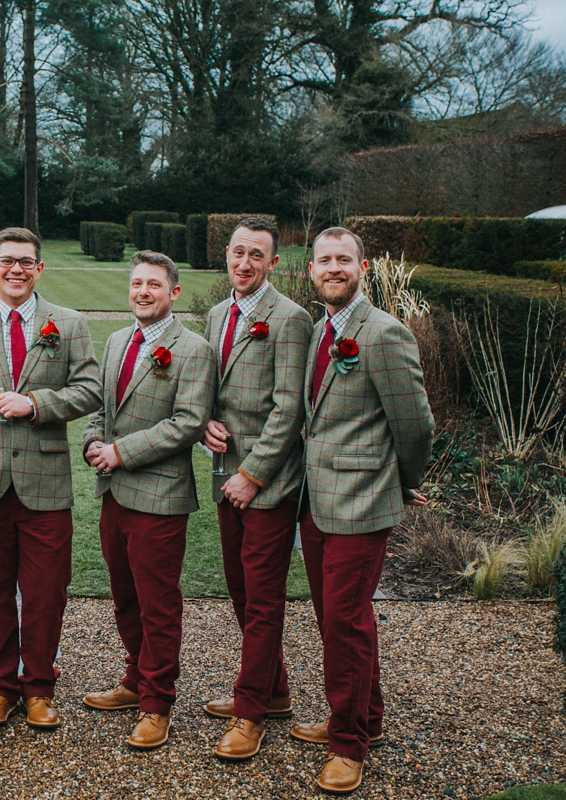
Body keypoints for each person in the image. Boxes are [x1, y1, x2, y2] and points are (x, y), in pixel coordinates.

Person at [0, 227, 102, 730]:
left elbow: (91, 389)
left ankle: (38, 689)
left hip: (46, 482)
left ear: (40, 269)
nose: (16, 269)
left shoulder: (69, 324)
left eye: (26, 262)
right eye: (7, 261)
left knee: (44, 593)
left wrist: (36, 403)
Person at [295, 227, 434, 794]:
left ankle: (348, 745)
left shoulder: (382, 333)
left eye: (344, 260)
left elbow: (416, 425)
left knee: (344, 624)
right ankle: (367, 719)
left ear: (363, 267)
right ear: (311, 270)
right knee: (341, 620)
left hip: (360, 506)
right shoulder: (317, 329)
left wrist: (400, 483)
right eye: (324, 260)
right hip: (315, 501)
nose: (334, 268)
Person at [80, 251, 218, 749]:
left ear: (173, 293)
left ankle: (157, 703)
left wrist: (121, 451)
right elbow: (101, 406)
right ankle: (135, 678)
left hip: (160, 496)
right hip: (113, 492)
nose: (143, 291)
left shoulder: (193, 349)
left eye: (153, 285)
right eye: (137, 283)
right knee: (125, 598)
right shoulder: (118, 339)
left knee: (158, 605)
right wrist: (94, 441)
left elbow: (187, 423)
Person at [200, 218, 312, 760]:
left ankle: (249, 714)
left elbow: (290, 408)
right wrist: (205, 424)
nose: (244, 263)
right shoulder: (218, 313)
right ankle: (276, 692)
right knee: (240, 592)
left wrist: (254, 474)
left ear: (273, 263)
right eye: (238, 253)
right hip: (226, 476)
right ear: (227, 255)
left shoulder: (290, 319)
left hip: (268, 484)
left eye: (257, 255)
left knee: (263, 600)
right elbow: (211, 392)